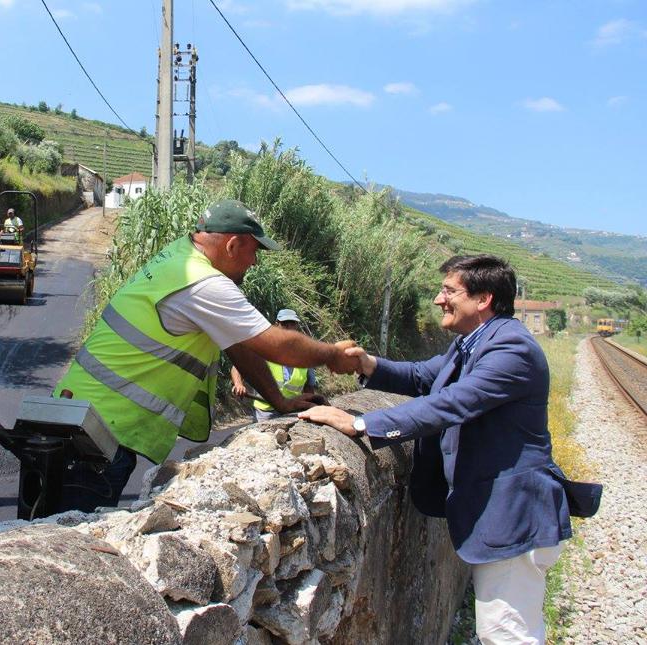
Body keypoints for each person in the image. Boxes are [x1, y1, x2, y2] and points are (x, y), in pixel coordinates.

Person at [298, 254, 596, 645]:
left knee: (508, 635)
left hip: (514, 514)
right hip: (501, 514)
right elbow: (425, 376)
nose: (439, 300)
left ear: (483, 298)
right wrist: (368, 363)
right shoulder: (472, 343)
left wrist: (360, 423)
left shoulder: (511, 349)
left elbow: (452, 403)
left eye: (449, 291)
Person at [53, 199, 360, 512]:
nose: (254, 262)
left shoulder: (178, 256)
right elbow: (275, 344)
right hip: (95, 434)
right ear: (233, 245)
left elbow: (238, 344)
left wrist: (278, 400)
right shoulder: (202, 282)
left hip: (79, 414)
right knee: (63, 541)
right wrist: (332, 354)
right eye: (254, 251)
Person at [230, 308, 321, 421]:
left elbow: (309, 387)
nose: (288, 328)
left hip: (292, 410)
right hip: (265, 411)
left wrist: (309, 408)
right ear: (276, 324)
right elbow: (238, 366)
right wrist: (238, 384)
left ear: (297, 326)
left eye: (292, 324)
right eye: (284, 324)